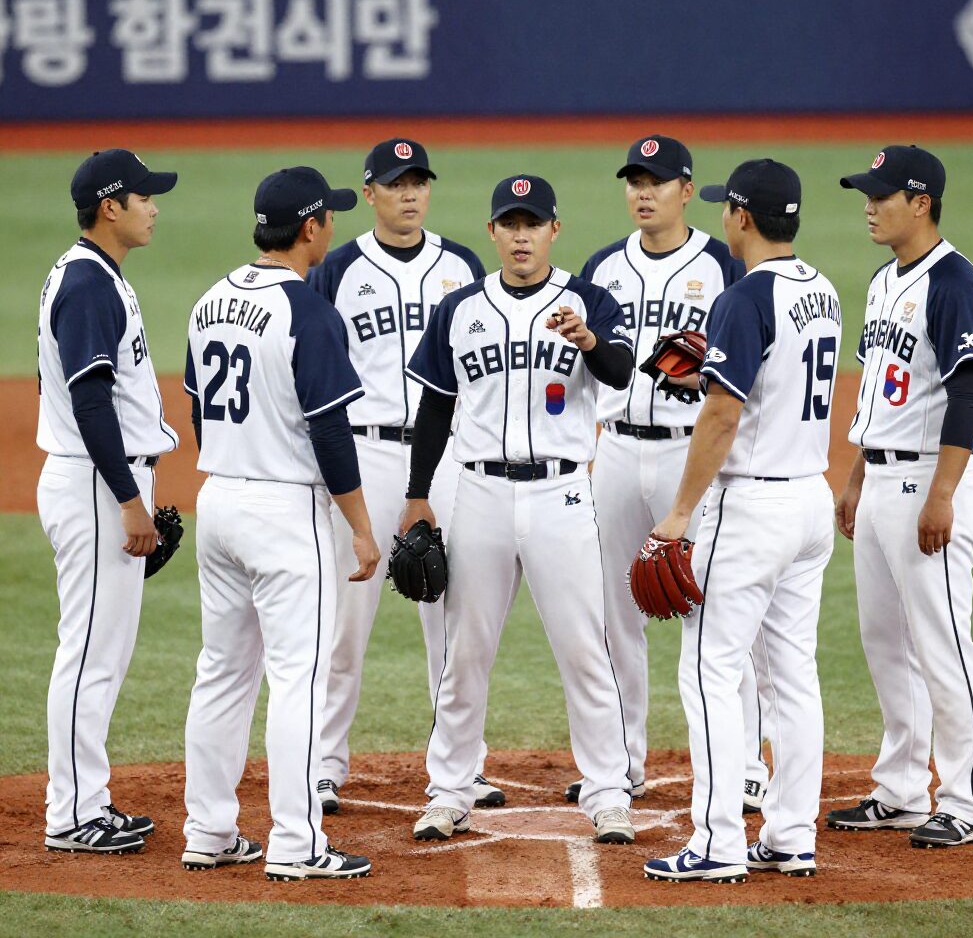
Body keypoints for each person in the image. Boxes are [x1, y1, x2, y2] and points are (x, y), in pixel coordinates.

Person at [400, 175, 637, 844]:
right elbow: (436, 406)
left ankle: (608, 793)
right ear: (494, 233)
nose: (522, 234)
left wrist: (589, 340)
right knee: (463, 651)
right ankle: (449, 789)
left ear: (554, 231)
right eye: (511, 222)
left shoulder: (589, 301)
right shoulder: (460, 309)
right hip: (478, 493)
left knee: (585, 648)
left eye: (534, 223)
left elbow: (621, 371)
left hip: (561, 494)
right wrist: (419, 495)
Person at [644, 159, 840, 883]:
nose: (724, 215)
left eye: (730, 207)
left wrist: (678, 513)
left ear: (745, 218)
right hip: (808, 499)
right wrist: (706, 370)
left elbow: (725, 415)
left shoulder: (744, 295)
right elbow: (766, 382)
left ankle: (718, 841)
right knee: (792, 674)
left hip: (750, 505)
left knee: (709, 671)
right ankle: (791, 836)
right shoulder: (819, 288)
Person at [181, 167, 379, 881]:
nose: (334, 225)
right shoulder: (309, 312)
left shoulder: (210, 301)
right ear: (309, 228)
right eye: (329, 216)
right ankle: (298, 843)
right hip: (283, 511)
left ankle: (207, 829)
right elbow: (331, 435)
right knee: (299, 678)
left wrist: (237, 460)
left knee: (223, 672)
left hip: (221, 500)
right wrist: (360, 526)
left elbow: (200, 407)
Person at [570, 134, 769, 814]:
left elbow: (756, 355)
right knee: (612, 611)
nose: (642, 192)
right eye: (633, 180)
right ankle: (621, 764)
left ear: (688, 190)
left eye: (656, 180)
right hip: (617, 451)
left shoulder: (723, 264)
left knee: (715, 606)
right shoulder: (600, 268)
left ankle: (743, 765)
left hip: (695, 454)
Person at [306, 138, 501, 813]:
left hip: (446, 457)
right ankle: (324, 763)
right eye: (396, 183)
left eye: (419, 181)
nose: (410, 193)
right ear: (370, 193)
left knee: (455, 617)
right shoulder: (335, 270)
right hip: (364, 455)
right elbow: (314, 370)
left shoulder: (463, 264)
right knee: (344, 619)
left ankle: (460, 766)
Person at [828, 145, 973, 849]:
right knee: (885, 643)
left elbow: (967, 389)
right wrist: (858, 476)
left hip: (931, 479)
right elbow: (877, 387)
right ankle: (901, 787)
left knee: (943, 645)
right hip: (883, 483)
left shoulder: (956, 283)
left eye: (882, 194)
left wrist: (943, 493)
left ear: (921, 202)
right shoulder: (884, 278)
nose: (869, 204)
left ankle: (966, 801)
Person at [37, 149, 179, 855]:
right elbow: (90, 399)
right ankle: (69, 814)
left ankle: (88, 800)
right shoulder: (89, 283)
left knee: (101, 652)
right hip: (98, 482)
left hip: (100, 479)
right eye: (145, 196)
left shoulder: (92, 274)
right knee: (89, 653)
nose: (156, 206)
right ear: (110, 206)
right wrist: (128, 499)